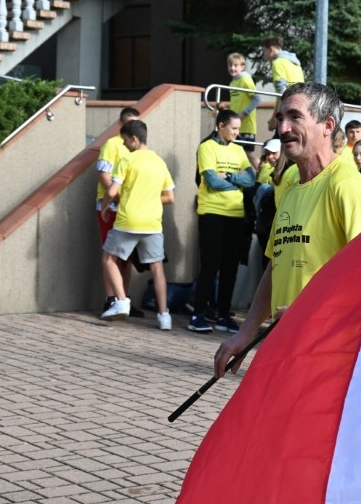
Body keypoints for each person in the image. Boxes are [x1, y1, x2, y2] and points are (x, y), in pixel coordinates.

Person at [214, 82, 361, 378]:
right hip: (285, 350)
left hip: (329, 358)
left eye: (295, 117)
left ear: (327, 125)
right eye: (280, 119)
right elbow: (275, 267)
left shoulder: (346, 185)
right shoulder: (292, 190)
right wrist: (246, 333)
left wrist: (316, 316)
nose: (283, 128)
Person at [100, 120, 175, 330]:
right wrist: (150, 199)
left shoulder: (127, 160)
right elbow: (170, 196)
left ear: (134, 138)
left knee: (108, 258)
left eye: (125, 140)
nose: (123, 145)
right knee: (157, 268)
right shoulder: (160, 163)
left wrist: (106, 207)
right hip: (152, 223)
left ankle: (122, 301)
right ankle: (164, 316)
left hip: (128, 220)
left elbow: (112, 191)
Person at [188, 109, 256, 335]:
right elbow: (211, 182)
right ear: (221, 125)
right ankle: (197, 314)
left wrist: (229, 177)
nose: (237, 133)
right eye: (234, 128)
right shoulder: (206, 147)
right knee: (210, 265)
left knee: (230, 268)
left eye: (239, 128)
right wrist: (236, 182)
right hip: (212, 213)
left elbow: (251, 180)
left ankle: (223, 316)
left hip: (235, 215)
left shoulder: (239, 150)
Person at [96, 106, 143, 318]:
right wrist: (118, 197)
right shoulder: (112, 145)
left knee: (128, 258)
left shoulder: (139, 148)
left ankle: (124, 298)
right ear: (121, 125)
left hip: (130, 210)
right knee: (110, 255)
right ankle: (111, 299)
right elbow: (104, 176)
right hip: (112, 207)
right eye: (130, 123)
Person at [225, 52, 261, 169]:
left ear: (242, 66)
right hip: (235, 125)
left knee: (246, 153)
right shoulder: (232, 82)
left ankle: (265, 172)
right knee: (237, 153)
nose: (232, 68)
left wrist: (243, 113)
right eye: (230, 65)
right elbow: (238, 102)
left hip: (246, 126)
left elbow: (257, 98)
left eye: (235, 65)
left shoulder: (245, 79)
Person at [261, 35, 304, 130]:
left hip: (287, 109)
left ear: (271, 49)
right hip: (299, 107)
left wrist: (275, 119)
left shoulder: (277, 63)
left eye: (264, 51)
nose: (263, 54)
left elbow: (282, 93)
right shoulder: (295, 63)